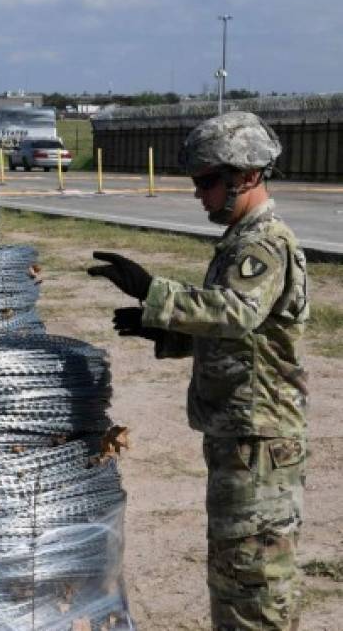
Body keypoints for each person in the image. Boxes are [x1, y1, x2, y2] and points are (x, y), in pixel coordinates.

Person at [88, 111, 308, 630]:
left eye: (208, 182)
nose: (199, 194)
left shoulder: (263, 243)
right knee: (237, 573)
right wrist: (164, 332)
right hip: (242, 435)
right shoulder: (239, 240)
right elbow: (246, 338)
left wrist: (153, 291)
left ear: (247, 177)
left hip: (258, 439)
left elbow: (238, 311)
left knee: (253, 581)